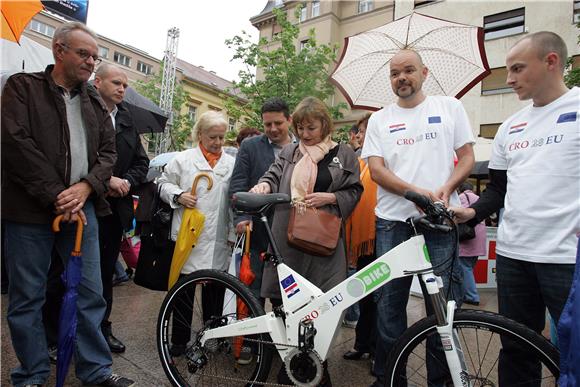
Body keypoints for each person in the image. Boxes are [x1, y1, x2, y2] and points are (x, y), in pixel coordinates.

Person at [1, 21, 134, 387]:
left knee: (91, 292)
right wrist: (59, 194)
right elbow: (15, 145)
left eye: (95, 56)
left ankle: (95, 370)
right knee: (28, 297)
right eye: (83, 54)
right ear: (59, 50)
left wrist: (86, 188)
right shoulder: (22, 87)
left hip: (84, 208)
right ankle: (30, 374)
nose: (91, 62)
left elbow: (108, 153)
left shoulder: (93, 99)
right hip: (29, 211)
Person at [452, 31, 579, 385]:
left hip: (567, 258)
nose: (508, 79)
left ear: (551, 61)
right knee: (517, 347)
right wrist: (473, 212)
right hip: (513, 255)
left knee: (572, 350)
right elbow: (497, 189)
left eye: (517, 68)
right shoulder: (510, 126)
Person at [360, 49, 475, 386]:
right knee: (388, 305)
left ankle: (439, 381)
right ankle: (390, 378)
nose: (401, 78)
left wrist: (447, 188)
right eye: (395, 73)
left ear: (424, 72)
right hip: (392, 224)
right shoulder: (380, 119)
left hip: (440, 223)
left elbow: (467, 157)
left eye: (408, 70)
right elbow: (377, 171)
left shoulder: (449, 107)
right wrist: (417, 194)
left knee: (441, 309)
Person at [251, 96, 363, 386]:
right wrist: (264, 185)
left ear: (325, 124)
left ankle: (317, 365)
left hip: (324, 243)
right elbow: (273, 176)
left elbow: (355, 191)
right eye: (300, 127)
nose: (304, 134)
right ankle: (293, 364)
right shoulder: (289, 151)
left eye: (310, 127)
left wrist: (332, 197)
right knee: (285, 301)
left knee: (324, 305)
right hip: (287, 238)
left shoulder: (345, 154)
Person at [158, 110, 236, 356]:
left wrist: (234, 233)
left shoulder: (231, 164)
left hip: (218, 238)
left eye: (222, 137)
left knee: (215, 291)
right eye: (213, 137)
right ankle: (178, 342)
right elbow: (162, 183)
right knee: (184, 293)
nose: (217, 143)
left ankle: (211, 338)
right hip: (189, 236)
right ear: (199, 134)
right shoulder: (183, 159)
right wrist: (178, 195)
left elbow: (234, 201)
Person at [93, 63, 149, 353]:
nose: (122, 89)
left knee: (105, 273)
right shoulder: (83, 110)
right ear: (97, 81)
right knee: (67, 273)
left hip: (115, 210)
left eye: (125, 85)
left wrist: (126, 180)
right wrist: (106, 180)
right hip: (85, 205)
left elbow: (142, 162)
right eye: (116, 83)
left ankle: (103, 331)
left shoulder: (127, 119)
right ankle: (57, 335)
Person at [229, 98, 294, 303]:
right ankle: (252, 336)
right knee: (252, 295)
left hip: (289, 236)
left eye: (278, 123)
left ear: (289, 120)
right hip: (256, 233)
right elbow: (238, 185)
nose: (273, 129)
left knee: (285, 299)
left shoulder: (303, 147)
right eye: (268, 124)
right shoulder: (250, 147)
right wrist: (241, 217)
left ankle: (283, 336)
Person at [343, 112, 378, 366]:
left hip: (384, 236)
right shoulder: (360, 161)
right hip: (365, 241)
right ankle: (362, 343)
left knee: (383, 300)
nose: (364, 135)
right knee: (366, 296)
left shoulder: (385, 159)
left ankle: (380, 350)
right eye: (363, 131)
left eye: (370, 130)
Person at [457, 181, 486, 306]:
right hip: (479, 236)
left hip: (467, 236)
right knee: (469, 266)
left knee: (465, 267)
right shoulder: (479, 198)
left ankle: (472, 296)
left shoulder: (461, 198)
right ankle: (466, 293)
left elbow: (458, 215)